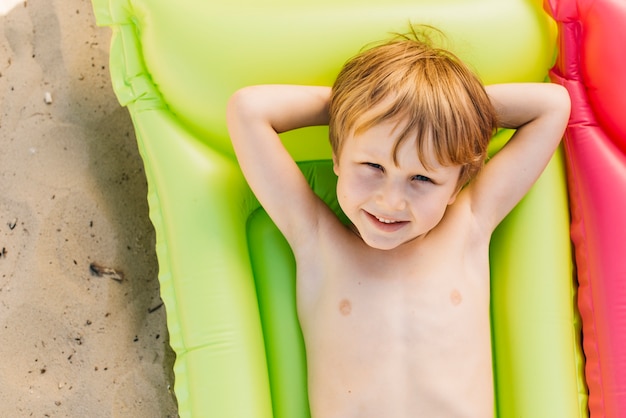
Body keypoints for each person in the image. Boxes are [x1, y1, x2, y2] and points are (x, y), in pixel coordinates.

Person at [226, 29, 570, 418]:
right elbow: (248, 110)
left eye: (422, 179)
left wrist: (446, 109)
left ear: (457, 185)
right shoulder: (318, 241)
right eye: (372, 166)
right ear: (338, 157)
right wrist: (360, 108)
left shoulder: (468, 226)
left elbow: (553, 106)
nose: (390, 201)